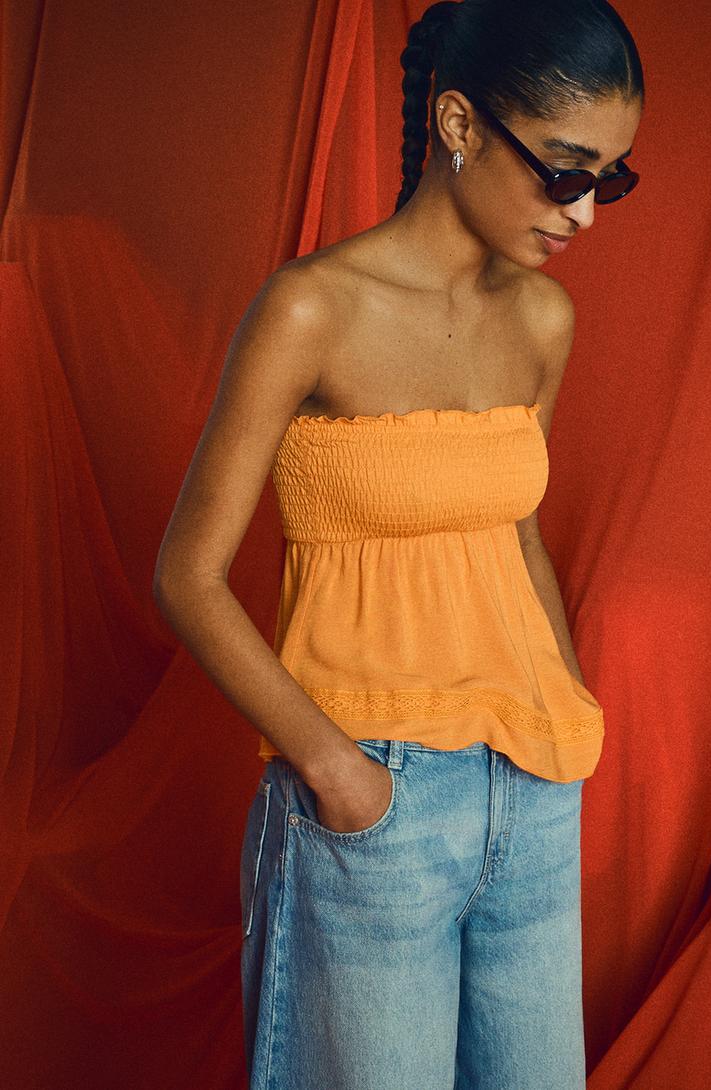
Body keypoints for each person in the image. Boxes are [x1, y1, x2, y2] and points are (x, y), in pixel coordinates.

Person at [153, 0, 643, 1086]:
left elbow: (515, 532)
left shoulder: (543, 321)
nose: (581, 213)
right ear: (459, 122)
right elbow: (186, 574)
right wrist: (339, 772)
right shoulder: (310, 310)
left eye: (606, 182)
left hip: (533, 788)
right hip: (376, 799)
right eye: (564, 172)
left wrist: (566, 711)